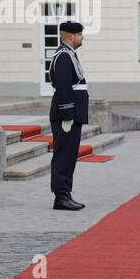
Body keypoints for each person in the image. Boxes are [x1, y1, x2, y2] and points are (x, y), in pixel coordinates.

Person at [49, 21, 89, 211]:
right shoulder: (63, 57)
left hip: (73, 113)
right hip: (68, 114)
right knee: (64, 155)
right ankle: (61, 196)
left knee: (69, 155)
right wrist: (67, 114)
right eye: (80, 34)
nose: (82, 37)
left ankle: (66, 193)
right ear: (71, 36)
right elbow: (64, 87)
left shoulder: (69, 55)